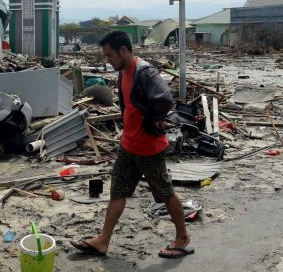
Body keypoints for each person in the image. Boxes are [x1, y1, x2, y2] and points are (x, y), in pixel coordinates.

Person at [70, 31, 194, 259]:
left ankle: (182, 238)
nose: (108, 60)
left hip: (148, 148)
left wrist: (150, 120)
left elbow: (165, 98)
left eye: (110, 55)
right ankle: (103, 241)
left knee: (165, 193)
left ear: (123, 50)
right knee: (118, 192)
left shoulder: (144, 71)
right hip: (129, 146)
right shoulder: (123, 72)